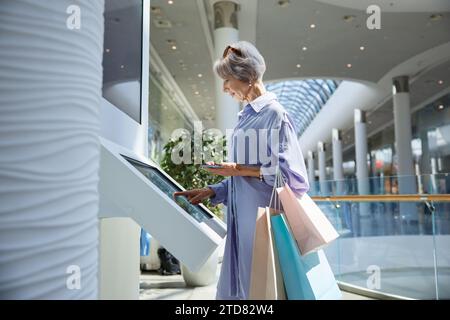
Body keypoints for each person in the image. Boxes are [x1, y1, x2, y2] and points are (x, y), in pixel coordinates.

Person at [173, 41, 309, 300]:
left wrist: (237, 169)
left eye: (227, 80)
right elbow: (243, 179)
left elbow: (290, 176)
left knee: (262, 289)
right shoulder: (246, 117)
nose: (224, 88)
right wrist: (213, 190)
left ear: (247, 76)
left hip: (262, 222)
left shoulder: (274, 114)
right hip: (240, 223)